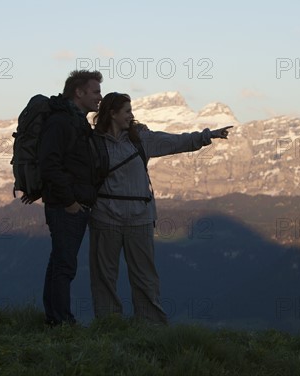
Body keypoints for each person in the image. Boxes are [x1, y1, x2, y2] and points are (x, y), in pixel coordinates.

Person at [89, 92, 232, 324]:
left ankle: (151, 326)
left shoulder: (140, 139)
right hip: (105, 218)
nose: (131, 115)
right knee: (104, 276)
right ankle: (109, 325)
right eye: (127, 111)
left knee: (144, 277)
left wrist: (207, 136)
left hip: (139, 219)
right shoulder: (93, 143)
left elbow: (175, 141)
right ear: (112, 114)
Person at [38, 70, 103, 326]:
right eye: (95, 91)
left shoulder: (77, 121)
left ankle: (55, 317)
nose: (100, 97)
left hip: (72, 204)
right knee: (65, 266)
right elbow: (49, 164)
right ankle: (62, 321)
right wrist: (70, 202)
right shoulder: (62, 122)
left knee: (59, 263)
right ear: (79, 92)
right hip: (66, 206)